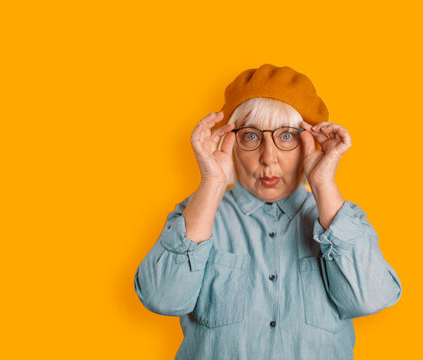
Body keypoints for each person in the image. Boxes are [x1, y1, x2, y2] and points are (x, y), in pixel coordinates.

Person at [134, 64, 402, 360]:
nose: (268, 158)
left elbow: (371, 299)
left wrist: (323, 182)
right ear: (230, 141)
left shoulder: (340, 219)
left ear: (309, 144)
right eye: (251, 136)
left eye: (286, 136)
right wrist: (212, 182)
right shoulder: (198, 216)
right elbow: (161, 299)